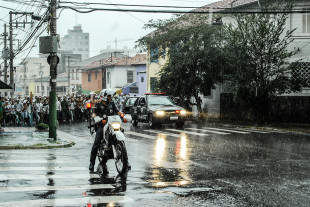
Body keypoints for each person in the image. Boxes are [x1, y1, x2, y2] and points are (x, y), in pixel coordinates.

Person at [89, 93, 121, 173]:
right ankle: (92, 163)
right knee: (96, 144)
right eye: (109, 96)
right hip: (102, 125)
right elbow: (94, 113)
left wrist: (121, 114)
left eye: (111, 96)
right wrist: (95, 117)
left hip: (112, 124)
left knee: (121, 136)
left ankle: (125, 162)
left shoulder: (112, 104)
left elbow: (117, 111)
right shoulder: (98, 105)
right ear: (104, 96)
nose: (110, 98)